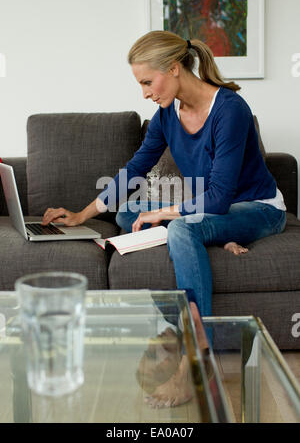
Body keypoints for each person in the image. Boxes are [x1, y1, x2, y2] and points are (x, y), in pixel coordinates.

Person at [42, 30, 286, 319]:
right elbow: (135, 169)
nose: (144, 93)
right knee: (128, 212)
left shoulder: (230, 110)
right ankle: (217, 235)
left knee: (182, 228)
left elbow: (219, 199)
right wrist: (81, 216)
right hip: (214, 211)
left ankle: (196, 335)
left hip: (258, 208)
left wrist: (166, 214)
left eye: (147, 82)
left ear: (173, 68)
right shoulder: (167, 116)